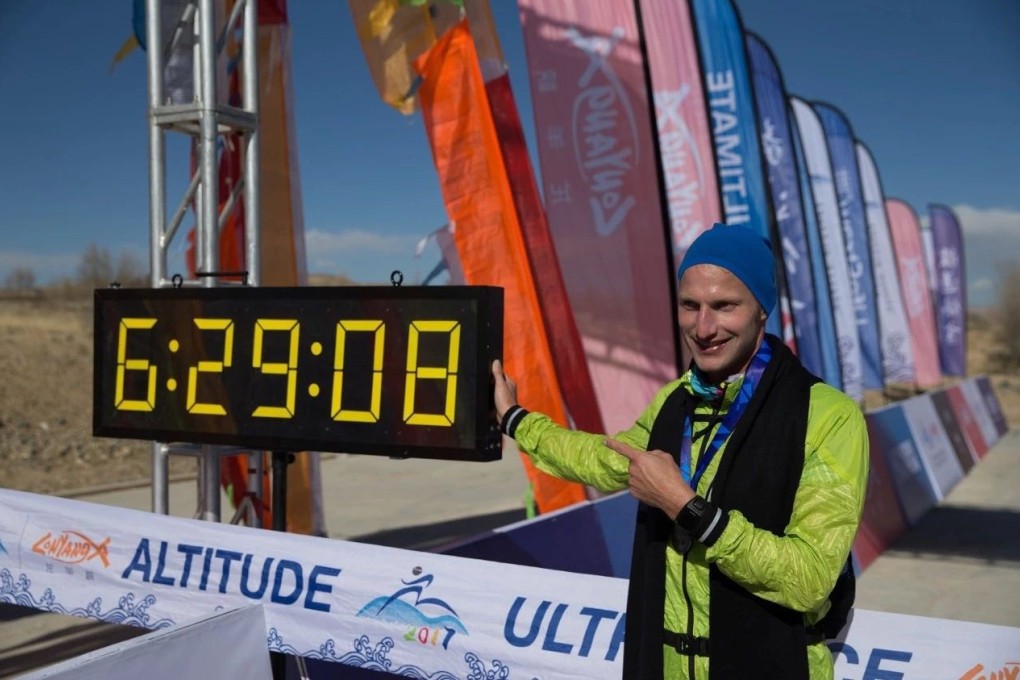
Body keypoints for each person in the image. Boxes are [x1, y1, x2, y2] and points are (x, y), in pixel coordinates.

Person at [492, 223, 869, 679]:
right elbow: (604, 457)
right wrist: (517, 419)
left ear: (762, 311)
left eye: (725, 306)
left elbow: (808, 579)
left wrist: (686, 508)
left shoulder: (828, 415)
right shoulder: (676, 400)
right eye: (690, 306)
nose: (703, 327)